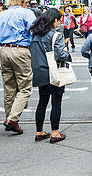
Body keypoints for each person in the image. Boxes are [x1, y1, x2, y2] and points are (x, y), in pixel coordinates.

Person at [0, 0, 37, 135]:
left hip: (4, 50)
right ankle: (13, 119)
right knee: (25, 87)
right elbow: (34, 30)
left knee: (9, 87)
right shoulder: (26, 13)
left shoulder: (1, 15)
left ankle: (9, 118)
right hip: (21, 50)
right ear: (24, 2)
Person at [30, 8, 72, 142]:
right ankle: (55, 133)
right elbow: (59, 55)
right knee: (56, 102)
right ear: (55, 20)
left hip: (39, 71)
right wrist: (68, 55)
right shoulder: (56, 35)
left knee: (42, 101)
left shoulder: (35, 35)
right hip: (53, 72)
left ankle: (39, 131)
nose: (58, 23)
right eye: (58, 20)